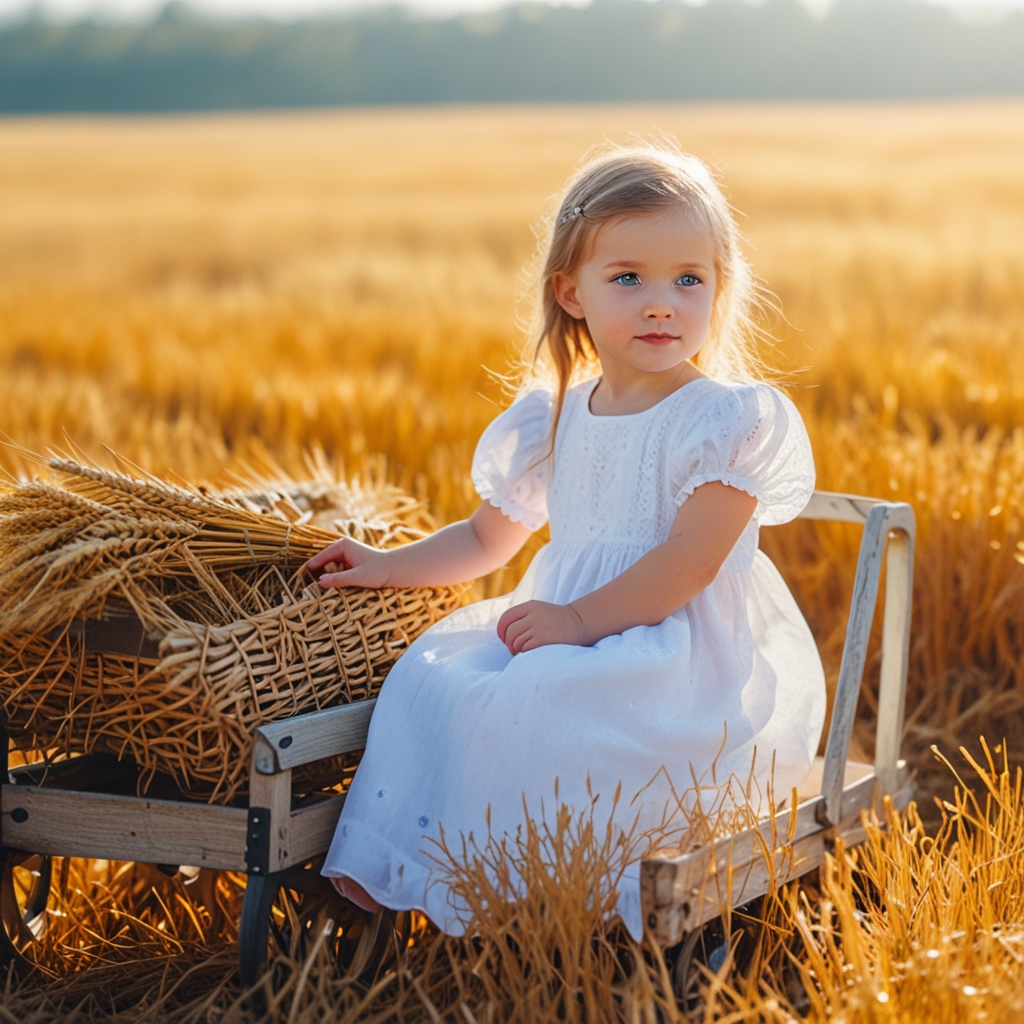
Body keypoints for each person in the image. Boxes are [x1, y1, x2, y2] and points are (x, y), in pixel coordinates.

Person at [307, 141, 826, 941]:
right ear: (570, 291)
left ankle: (546, 895)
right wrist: (386, 566)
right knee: (432, 678)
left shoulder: (724, 422)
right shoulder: (553, 419)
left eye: (689, 279)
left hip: (675, 654)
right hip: (569, 626)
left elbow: (688, 565)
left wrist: (579, 623)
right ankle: (426, 870)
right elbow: (487, 538)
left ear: (719, 290)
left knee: (543, 699)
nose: (662, 304)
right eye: (629, 278)